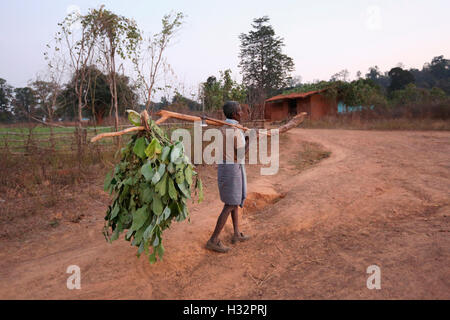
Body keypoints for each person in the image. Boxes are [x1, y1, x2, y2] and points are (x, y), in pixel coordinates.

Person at [206, 101, 251, 253]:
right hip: (232, 168)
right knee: (231, 204)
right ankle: (213, 240)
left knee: (234, 200)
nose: (242, 113)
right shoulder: (233, 130)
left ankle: (236, 234)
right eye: (240, 111)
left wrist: (245, 138)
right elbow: (240, 153)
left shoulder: (224, 128)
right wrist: (251, 139)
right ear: (234, 114)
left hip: (226, 166)